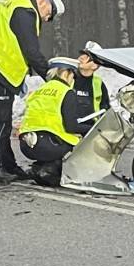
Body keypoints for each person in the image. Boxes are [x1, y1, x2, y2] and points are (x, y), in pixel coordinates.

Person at [0, 0, 62, 183]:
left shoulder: (13, 2)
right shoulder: (25, 12)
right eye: (49, 15)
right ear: (44, 2)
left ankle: (8, 165)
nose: (46, 19)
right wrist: (51, 77)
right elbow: (31, 51)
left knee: (3, 121)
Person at [16, 54, 106, 188]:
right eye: (73, 75)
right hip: (49, 145)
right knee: (79, 141)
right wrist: (94, 128)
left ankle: (41, 167)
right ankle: (51, 169)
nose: (73, 79)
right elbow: (71, 127)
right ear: (66, 73)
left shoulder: (40, 90)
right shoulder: (66, 92)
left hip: (27, 144)